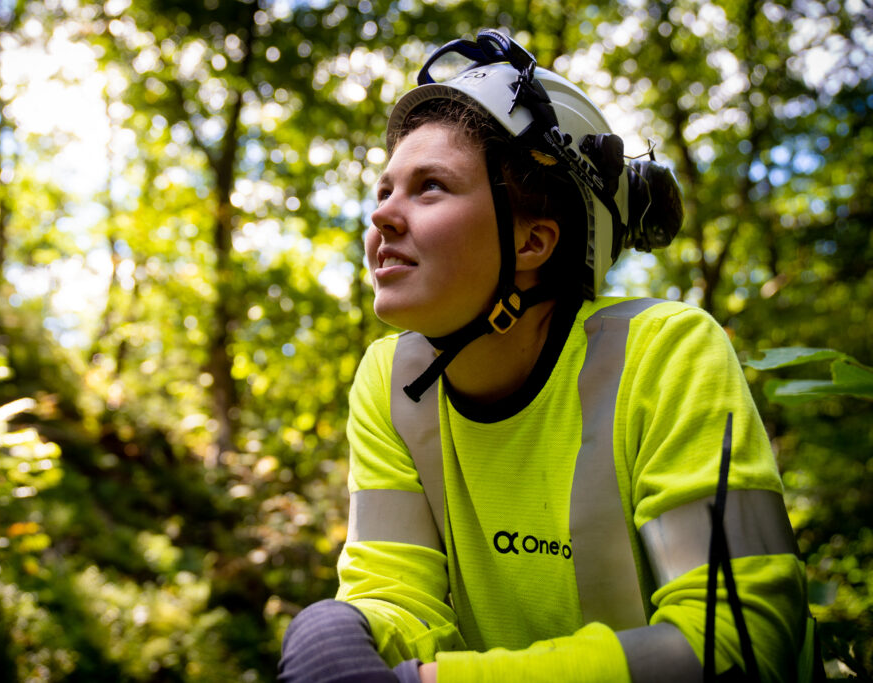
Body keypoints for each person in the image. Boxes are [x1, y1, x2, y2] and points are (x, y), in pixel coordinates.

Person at [278, 29, 811, 683]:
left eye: (431, 188)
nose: (383, 216)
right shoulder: (391, 383)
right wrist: (347, 628)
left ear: (535, 241)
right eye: (384, 190)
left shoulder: (666, 353)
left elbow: (741, 641)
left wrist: (431, 681)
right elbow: (401, 597)